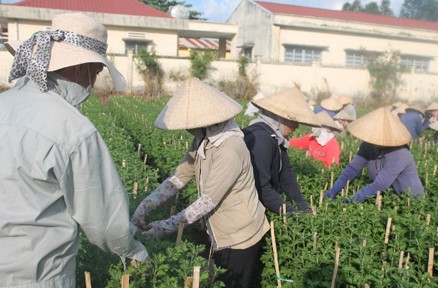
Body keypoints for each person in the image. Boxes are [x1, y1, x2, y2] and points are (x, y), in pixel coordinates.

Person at [0, 13, 149, 287]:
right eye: (97, 70)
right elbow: (107, 225)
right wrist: (138, 255)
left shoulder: (4, 104)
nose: (94, 80)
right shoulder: (72, 130)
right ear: (80, 67)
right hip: (36, 278)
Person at [131, 77, 270, 288]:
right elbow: (179, 177)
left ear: (208, 122)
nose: (188, 130)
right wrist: (146, 205)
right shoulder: (203, 140)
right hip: (218, 230)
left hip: (239, 236)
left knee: (233, 283)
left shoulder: (230, 148)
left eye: (191, 125)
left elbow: (207, 202)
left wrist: (165, 226)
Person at [243, 86, 320, 214]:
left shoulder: (275, 137)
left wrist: (302, 205)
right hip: (245, 209)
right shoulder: (262, 140)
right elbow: (261, 188)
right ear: (279, 118)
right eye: (293, 120)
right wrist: (291, 214)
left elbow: (285, 173)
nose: (297, 126)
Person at [324, 106, 424, 202]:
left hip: (408, 199)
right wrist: (333, 191)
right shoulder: (369, 144)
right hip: (386, 197)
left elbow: (380, 184)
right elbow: (353, 168)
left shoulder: (400, 153)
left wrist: (351, 201)